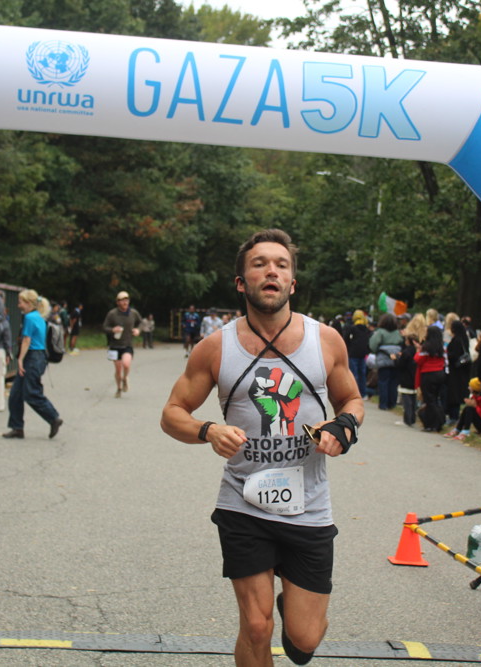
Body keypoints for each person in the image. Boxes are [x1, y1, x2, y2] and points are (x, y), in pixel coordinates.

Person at [160, 228, 364, 667]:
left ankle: (294, 611)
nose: (271, 270)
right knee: (255, 626)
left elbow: (352, 400)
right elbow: (172, 413)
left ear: (292, 282)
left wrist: (342, 425)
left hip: (308, 505)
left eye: (281, 265)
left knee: (304, 641)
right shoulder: (215, 347)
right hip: (243, 501)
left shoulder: (326, 340)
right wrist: (208, 430)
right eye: (259, 264)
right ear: (241, 283)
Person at [2, 290, 63, 439]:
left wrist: (20, 359)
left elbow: (27, 340)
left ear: (28, 303)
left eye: (20, 302)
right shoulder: (39, 317)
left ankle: (53, 417)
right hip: (39, 357)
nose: (18, 305)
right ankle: (17, 427)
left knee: (31, 392)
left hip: (32, 357)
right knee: (16, 394)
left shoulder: (29, 317)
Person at [103, 291, 142, 398]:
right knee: (118, 369)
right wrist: (113, 330)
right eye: (122, 300)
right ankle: (119, 388)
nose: (125, 302)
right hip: (114, 345)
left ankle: (125, 378)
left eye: (126, 300)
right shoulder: (112, 314)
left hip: (127, 344)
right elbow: (105, 327)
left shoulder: (133, 313)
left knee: (126, 364)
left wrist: (138, 330)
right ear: (117, 302)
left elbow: (141, 323)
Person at [414, 325, 447, 432]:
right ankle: (435, 423)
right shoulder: (442, 347)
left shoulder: (426, 347)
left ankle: (435, 422)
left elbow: (418, 359)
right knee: (435, 398)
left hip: (428, 373)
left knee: (429, 399)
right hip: (440, 373)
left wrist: (418, 350)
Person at [368, 313, 402, 411]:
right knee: (393, 382)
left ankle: (383, 404)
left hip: (383, 358)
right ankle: (392, 403)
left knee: (383, 381)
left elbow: (373, 345)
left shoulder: (380, 332)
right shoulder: (397, 333)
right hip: (395, 359)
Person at [342, 309, 371, 397]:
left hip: (353, 354)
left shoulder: (352, 328)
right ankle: (363, 393)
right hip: (363, 354)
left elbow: (345, 339)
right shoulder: (366, 329)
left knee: (354, 374)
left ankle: (354, 394)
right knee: (362, 374)